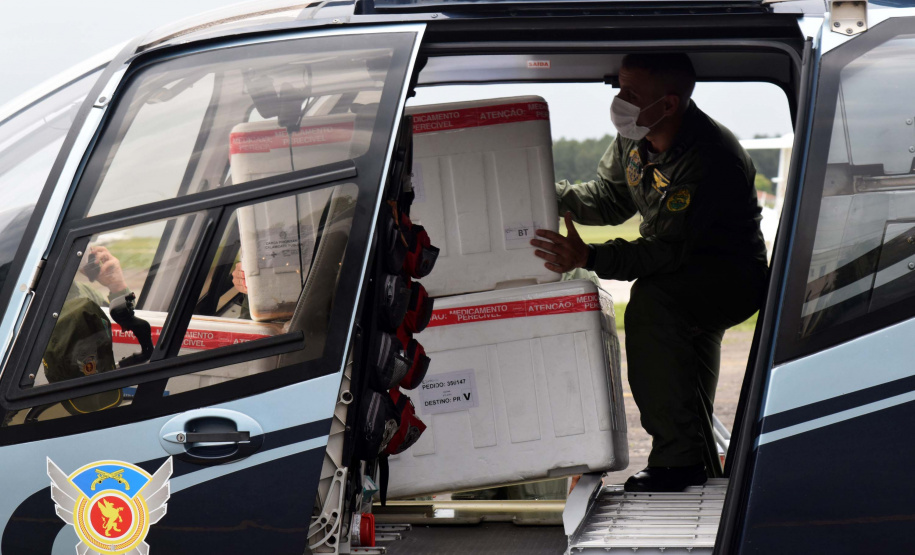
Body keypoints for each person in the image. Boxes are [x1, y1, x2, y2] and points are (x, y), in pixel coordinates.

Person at [531, 53, 767, 492]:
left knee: (652, 306)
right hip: (685, 273)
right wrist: (545, 195)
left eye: (631, 93)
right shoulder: (636, 135)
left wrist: (588, 256)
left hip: (726, 279)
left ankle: (677, 464)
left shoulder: (709, 158)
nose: (619, 101)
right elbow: (609, 198)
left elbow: (664, 252)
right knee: (683, 389)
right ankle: (699, 471)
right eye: (619, 89)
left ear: (669, 103)